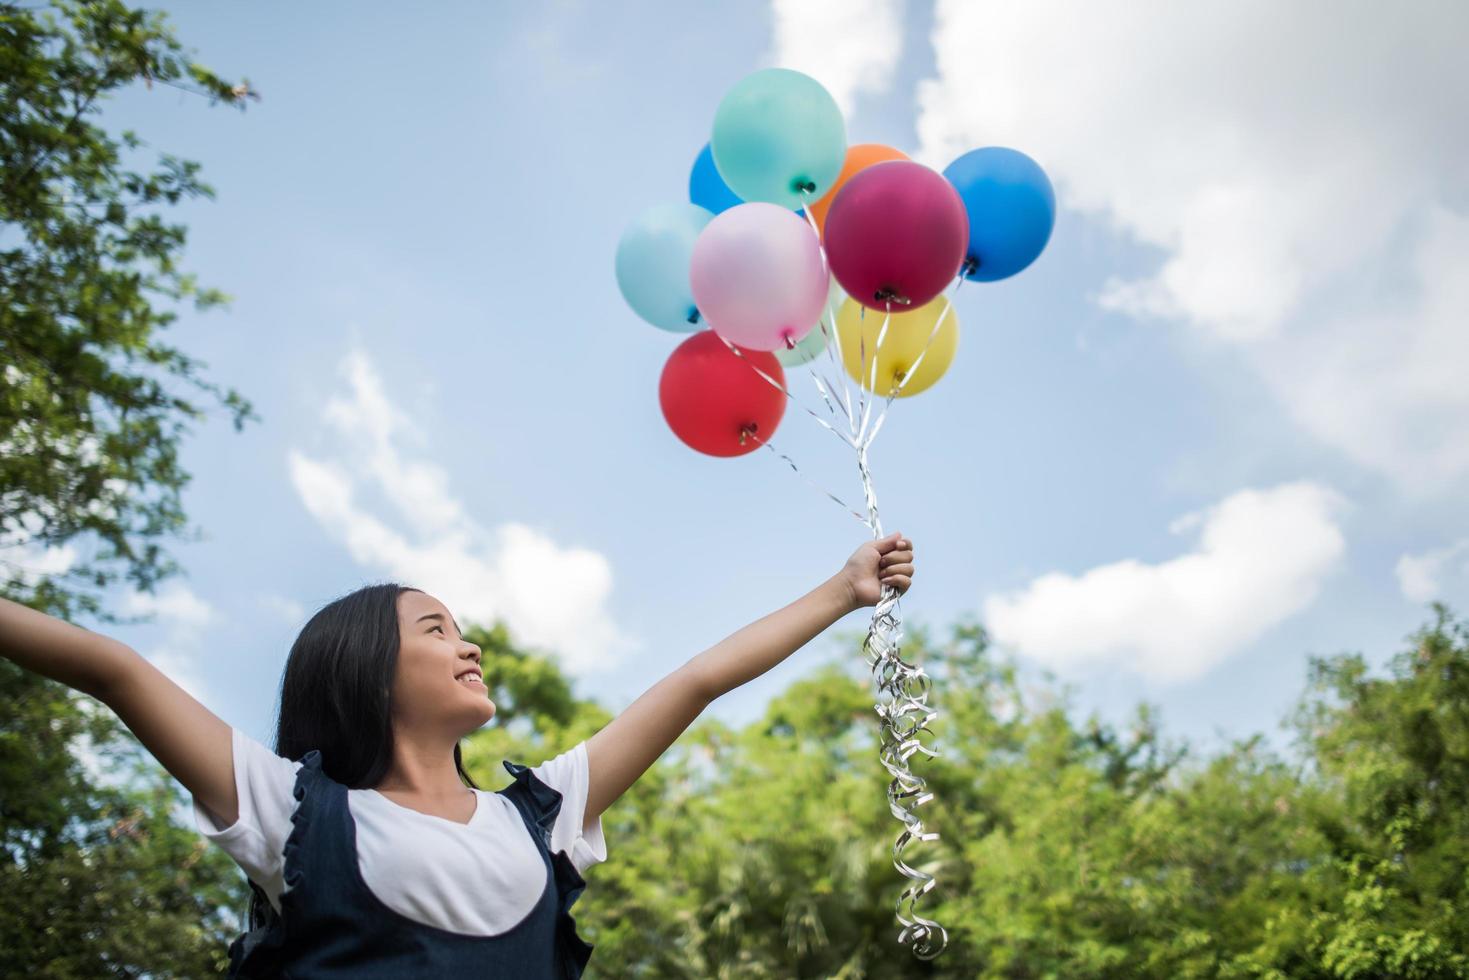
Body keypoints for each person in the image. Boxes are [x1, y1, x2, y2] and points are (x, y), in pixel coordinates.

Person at [1, 532, 915, 977]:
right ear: (366, 666)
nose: (468, 645)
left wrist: (841, 590)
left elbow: (697, 681)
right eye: (437, 629)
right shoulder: (293, 813)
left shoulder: (544, 815)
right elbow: (113, 669)